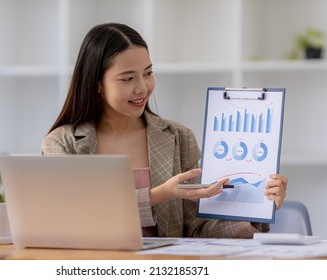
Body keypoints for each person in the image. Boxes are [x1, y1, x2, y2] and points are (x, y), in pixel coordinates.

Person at [41, 22, 288, 238]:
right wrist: (158, 195)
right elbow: (72, 219)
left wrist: (258, 206)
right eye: (128, 78)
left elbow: (198, 229)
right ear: (96, 84)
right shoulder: (62, 144)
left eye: (148, 73)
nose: (142, 88)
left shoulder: (180, 137)